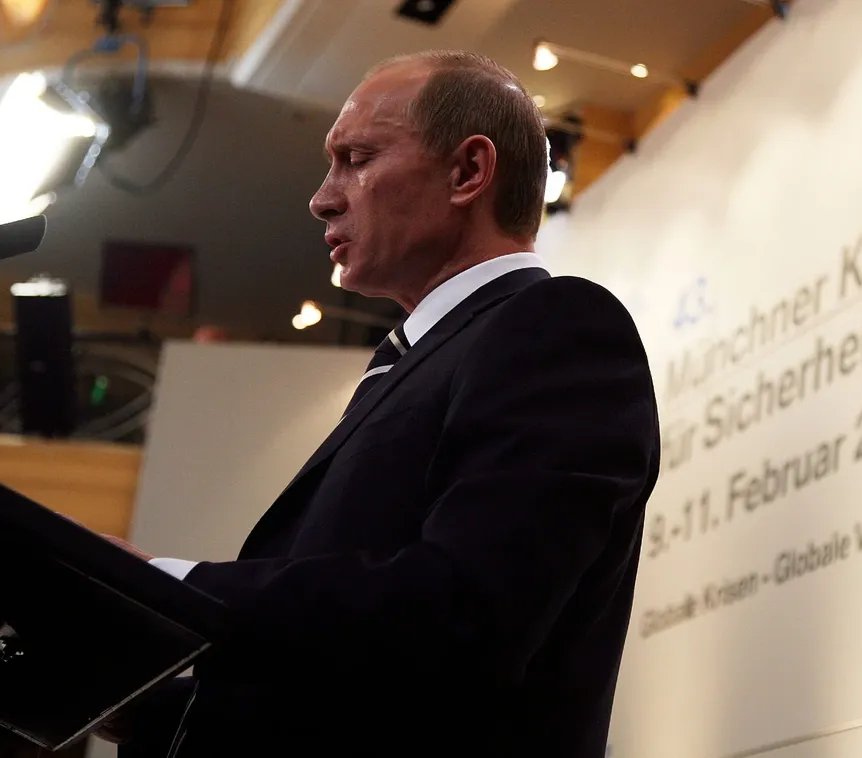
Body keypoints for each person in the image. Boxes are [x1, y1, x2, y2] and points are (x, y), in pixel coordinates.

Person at [103, 50, 660, 758]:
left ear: (468, 172)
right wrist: (132, 706)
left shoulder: (557, 327)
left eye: (357, 158)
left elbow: (463, 615)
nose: (322, 198)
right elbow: (361, 685)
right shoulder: (416, 360)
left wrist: (164, 589)